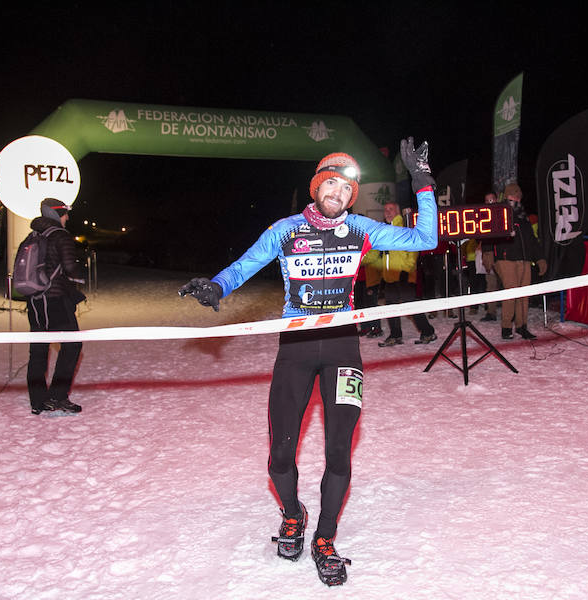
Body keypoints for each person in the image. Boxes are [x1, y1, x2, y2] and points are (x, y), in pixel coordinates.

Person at [178, 140, 438, 587]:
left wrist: (423, 183)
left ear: (351, 197)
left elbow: (425, 239)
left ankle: (325, 537)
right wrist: (217, 286)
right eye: (330, 184)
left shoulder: (360, 229)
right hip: (295, 349)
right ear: (317, 187)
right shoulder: (286, 230)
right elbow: (243, 266)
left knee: (339, 453)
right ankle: (293, 515)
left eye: (346, 188)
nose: (338, 192)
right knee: (280, 454)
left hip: (343, 349)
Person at [25, 198, 86, 415]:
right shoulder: (61, 236)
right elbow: (69, 267)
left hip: (34, 301)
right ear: (57, 214)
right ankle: (58, 396)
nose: (67, 217)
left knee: (38, 349)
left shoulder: (33, 235)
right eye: (65, 213)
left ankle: (37, 401)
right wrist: (78, 279)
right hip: (56, 300)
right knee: (72, 345)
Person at [366, 201, 437, 347]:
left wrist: (407, 269)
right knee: (390, 307)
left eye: (391, 209)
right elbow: (378, 254)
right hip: (389, 276)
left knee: (411, 306)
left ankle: (428, 332)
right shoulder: (385, 230)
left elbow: (414, 249)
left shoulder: (404, 227)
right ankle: (395, 335)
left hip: (403, 274)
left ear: (398, 212)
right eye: (385, 209)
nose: (387, 212)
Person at [492, 183, 547, 340]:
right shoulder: (499, 212)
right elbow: (489, 233)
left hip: (524, 260)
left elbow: (532, 240)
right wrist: (489, 254)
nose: (516, 198)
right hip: (506, 258)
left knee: (524, 294)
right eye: (513, 195)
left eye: (518, 196)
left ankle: (522, 326)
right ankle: (506, 327)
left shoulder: (524, 217)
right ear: (507, 195)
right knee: (511, 293)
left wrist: (540, 258)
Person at [480, 192, 502, 321]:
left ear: (496, 200)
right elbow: (481, 238)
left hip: (503, 254)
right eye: (487, 200)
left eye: (491, 200)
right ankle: (491, 312)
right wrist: (485, 254)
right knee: (491, 285)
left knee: (506, 284)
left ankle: (511, 312)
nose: (489, 203)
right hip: (489, 254)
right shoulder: (483, 216)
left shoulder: (502, 213)